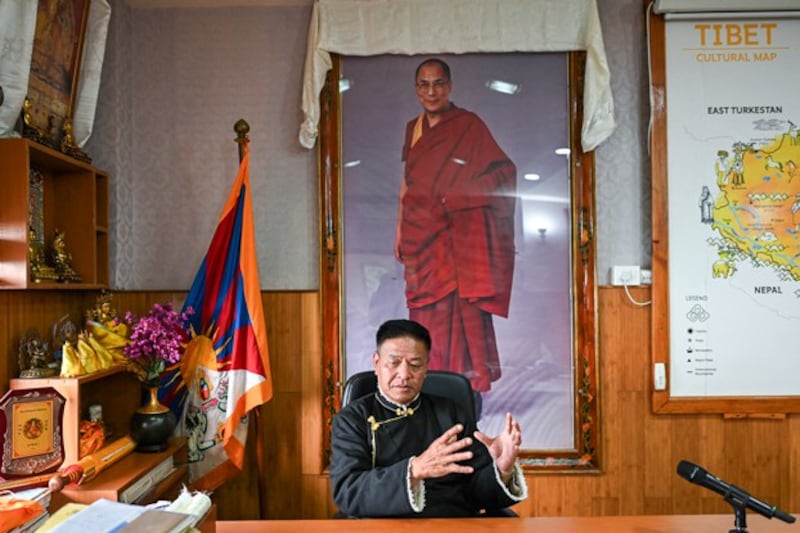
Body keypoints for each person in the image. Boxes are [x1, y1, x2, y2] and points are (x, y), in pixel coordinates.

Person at [394, 58, 517, 406]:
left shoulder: (468, 125)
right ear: (416, 89)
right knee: (425, 325)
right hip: (422, 242)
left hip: (455, 244)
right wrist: (399, 230)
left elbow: (503, 172)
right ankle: (429, 403)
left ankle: (466, 407)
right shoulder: (413, 129)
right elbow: (408, 185)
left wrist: (459, 196)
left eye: (438, 84)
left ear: (449, 86)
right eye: (423, 84)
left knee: (462, 327)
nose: (431, 91)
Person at [330, 319, 527, 518]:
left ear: (426, 369)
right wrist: (415, 470)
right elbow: (348, 491)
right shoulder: (352, 419)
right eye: (394, 363)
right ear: (376, 363)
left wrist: (502, 470)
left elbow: (476, 492)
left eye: (415, 364)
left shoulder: (451, 412)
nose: (404, 374)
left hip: (453, 524)